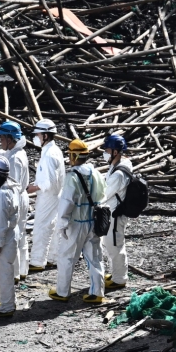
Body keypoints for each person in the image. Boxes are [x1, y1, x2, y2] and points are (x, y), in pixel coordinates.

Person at [48, 139, 107, 303]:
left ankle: (62, 292)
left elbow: (67, 202)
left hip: (76, 224)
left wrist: (62, 224)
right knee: (95, 258)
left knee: (67, 257)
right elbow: (103, 196)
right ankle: (97, 292)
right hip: (94, 222)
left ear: (73, 155)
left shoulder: (72, 177)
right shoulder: (96, 173)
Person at [0, 121, 29, 281]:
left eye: (2, 139)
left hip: (15, 198)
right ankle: (20, 270)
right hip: (18, 197)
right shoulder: (14, 153)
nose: (1, 142)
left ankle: (13, 273)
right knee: (20, 234)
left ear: (10, 139)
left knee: (13, 235)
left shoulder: (15, 159)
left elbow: (13, 185)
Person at [27, 119, 66, 271]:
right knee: (54, 227)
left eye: (37, 134)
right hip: (55, 195)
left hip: (48, 195)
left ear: (45, 135)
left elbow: (48, 182)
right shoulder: (53, 151)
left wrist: (33, 188)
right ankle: (53, 258)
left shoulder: (49, 154)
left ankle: (37, 261)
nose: (35, 137)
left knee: (41, 227)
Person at [0, 156, 21, 317]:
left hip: (5, 238)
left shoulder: (2, 194)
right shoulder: (10, 187)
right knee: (2, 271)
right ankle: (6, 302)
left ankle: (7, 306)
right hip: (10, 235)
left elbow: (1, 222)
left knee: (4, 273)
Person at [101, 134, 133, 290]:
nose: (105, 152)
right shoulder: (120, 163)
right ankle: (116, 273)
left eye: (107, 150)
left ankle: (119, 278)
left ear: (115, 152)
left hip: (115, 214)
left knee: (114, 245)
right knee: (111, 243)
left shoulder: (120, 173)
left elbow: (105, 193)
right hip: (113, 212)